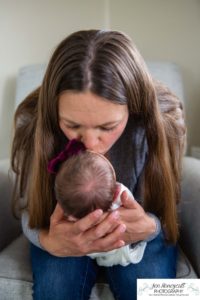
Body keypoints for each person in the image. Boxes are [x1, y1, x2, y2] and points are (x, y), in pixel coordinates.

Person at [11, 29, 186, 300]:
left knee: (159, 293)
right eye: (72, 125)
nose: (91, 143)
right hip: (59, 232)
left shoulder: (163, 123)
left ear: (133, 108)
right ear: (53, 111)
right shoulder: (33, 122)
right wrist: (48, 240)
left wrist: (149, 228)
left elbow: (169, 213)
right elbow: (29, 210)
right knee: (56, 289)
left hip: (143, 238)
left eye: (108, 126)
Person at [49, 138, 147, 266]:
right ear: (116, 192)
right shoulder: (121, 194)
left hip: (88, 249)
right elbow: (133, 211)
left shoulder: (71, 213)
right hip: (122, 250)